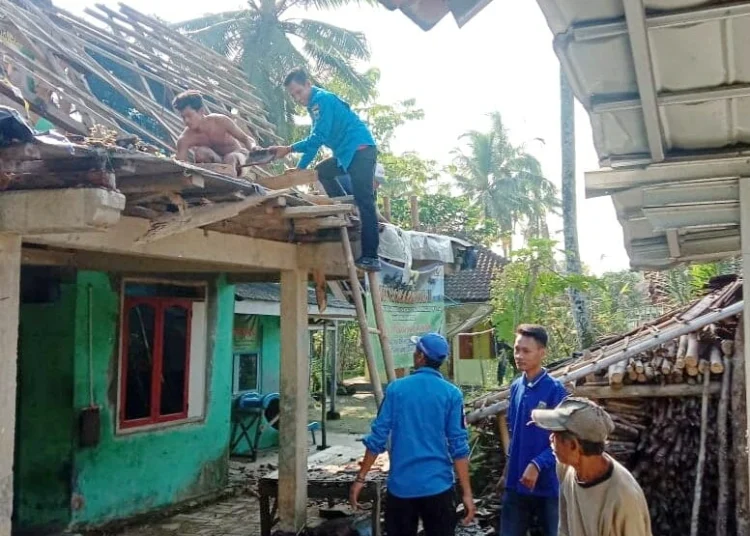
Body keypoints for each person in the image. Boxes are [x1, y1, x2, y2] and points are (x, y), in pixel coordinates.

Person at [349, 333, 476, 536]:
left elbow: (377, 438)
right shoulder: (452, 394)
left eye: (416, 350)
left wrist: (360, 478)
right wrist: (467, 493)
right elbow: (458, 446)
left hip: (402, 488)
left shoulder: (396, 390)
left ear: (420, 357)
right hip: (439, 487)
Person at [268, 68, 381, 272]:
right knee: (322, 171)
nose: (297, 98)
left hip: (360, 150)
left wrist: (291, 153)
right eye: (293, 95)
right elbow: (314, 142)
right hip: (345, 155)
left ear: (308, 84)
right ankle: (345, 205)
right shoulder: (313, 106)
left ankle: (371, 257)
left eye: (299, 92)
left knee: (365, 200)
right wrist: (298, 165)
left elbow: (317, 138)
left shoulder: (322, 100)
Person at [531, 397, 652, 536]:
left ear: (573, 445)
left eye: (555, 435)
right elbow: (564, 529)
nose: (550, 439)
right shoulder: (566, 470)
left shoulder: (624, 499)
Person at [502, 324, 567, 536]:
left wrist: (538, 464)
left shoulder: (555, 390)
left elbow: (563, 439)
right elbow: (514, 433)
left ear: (542, 352)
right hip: (516, 483)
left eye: (526, 351)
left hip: (547, 485)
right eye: (516, 349)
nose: (519, 355)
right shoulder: (516, 387)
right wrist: (508, 470)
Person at [172, 90, 257, 176]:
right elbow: (180, 164)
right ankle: (214, 180)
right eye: (183, 117)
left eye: (189, 116)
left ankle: (231, 181)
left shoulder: (221, 121)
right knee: (200, 153)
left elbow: (245, 139)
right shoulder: (185, 139)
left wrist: (254, 152)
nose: (186, 120)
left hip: (239, 161)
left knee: (230, 158)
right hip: (218, 164)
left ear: (201, 111)